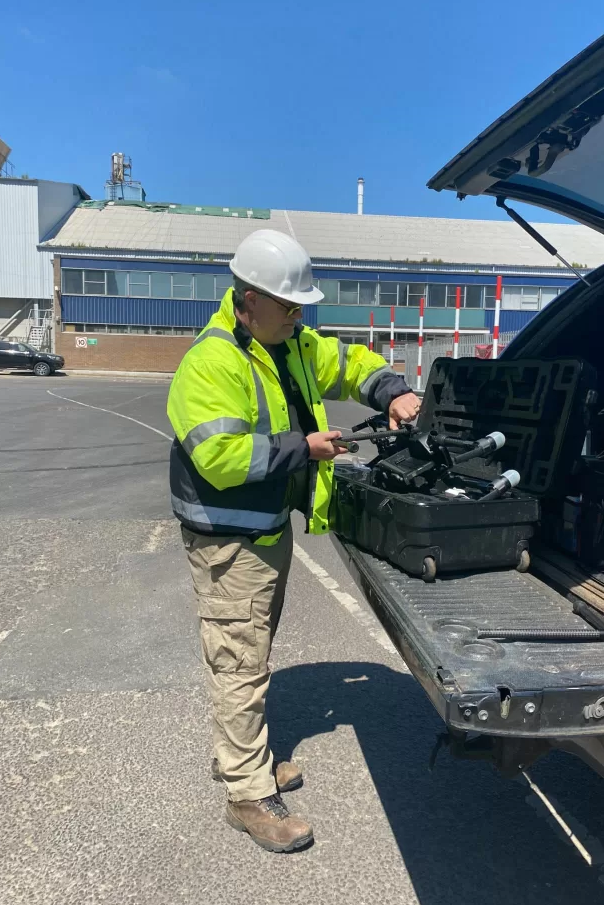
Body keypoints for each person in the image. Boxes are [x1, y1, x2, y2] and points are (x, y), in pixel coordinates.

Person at [167, 229, 420, 853]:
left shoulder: (291, 343)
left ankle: (242, 759)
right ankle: (247, 795)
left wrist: (395, 392)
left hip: (265, 527)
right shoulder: (212, 362)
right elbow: (219, 457)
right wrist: (303, 448)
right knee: (239, 662)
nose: (299, 316)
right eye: (289, 305)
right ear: (249, 300)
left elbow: (350, 363)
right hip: (228, 539)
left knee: (250, 649)